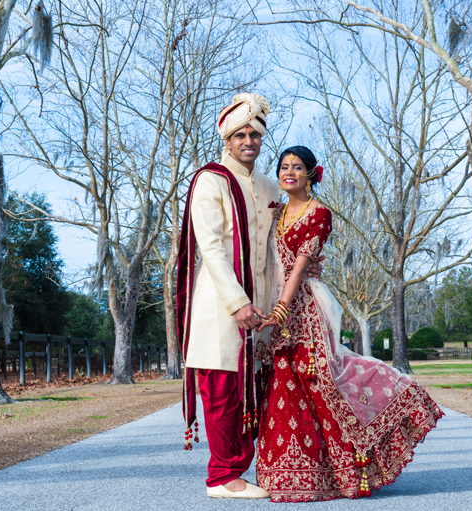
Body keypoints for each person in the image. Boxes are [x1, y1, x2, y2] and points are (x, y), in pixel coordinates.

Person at [254, 146, 444, 502]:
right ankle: (289, 475)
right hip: (273, 306)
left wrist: (282, 309)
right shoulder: (275, 212)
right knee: (282, 382)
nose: (288, 173)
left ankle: (347, 468)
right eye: (283, 167)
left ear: (311, 174)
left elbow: (301, 265)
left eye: (297, 167)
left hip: (304, 308)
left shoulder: (319, 213)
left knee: (321, 378)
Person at [175, 94, 322, 499]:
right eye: (240, 134)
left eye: (255, 134)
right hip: (220, 302)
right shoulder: (211, 179)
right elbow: (211, 247)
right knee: (222, 386)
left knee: (253, 389)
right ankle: (223, 477)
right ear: (227, 139)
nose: (249, 141)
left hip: (262, 302)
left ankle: (242, 469)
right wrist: (237, 303)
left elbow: (281, 240)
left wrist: (306, 262)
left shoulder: (268, 185)